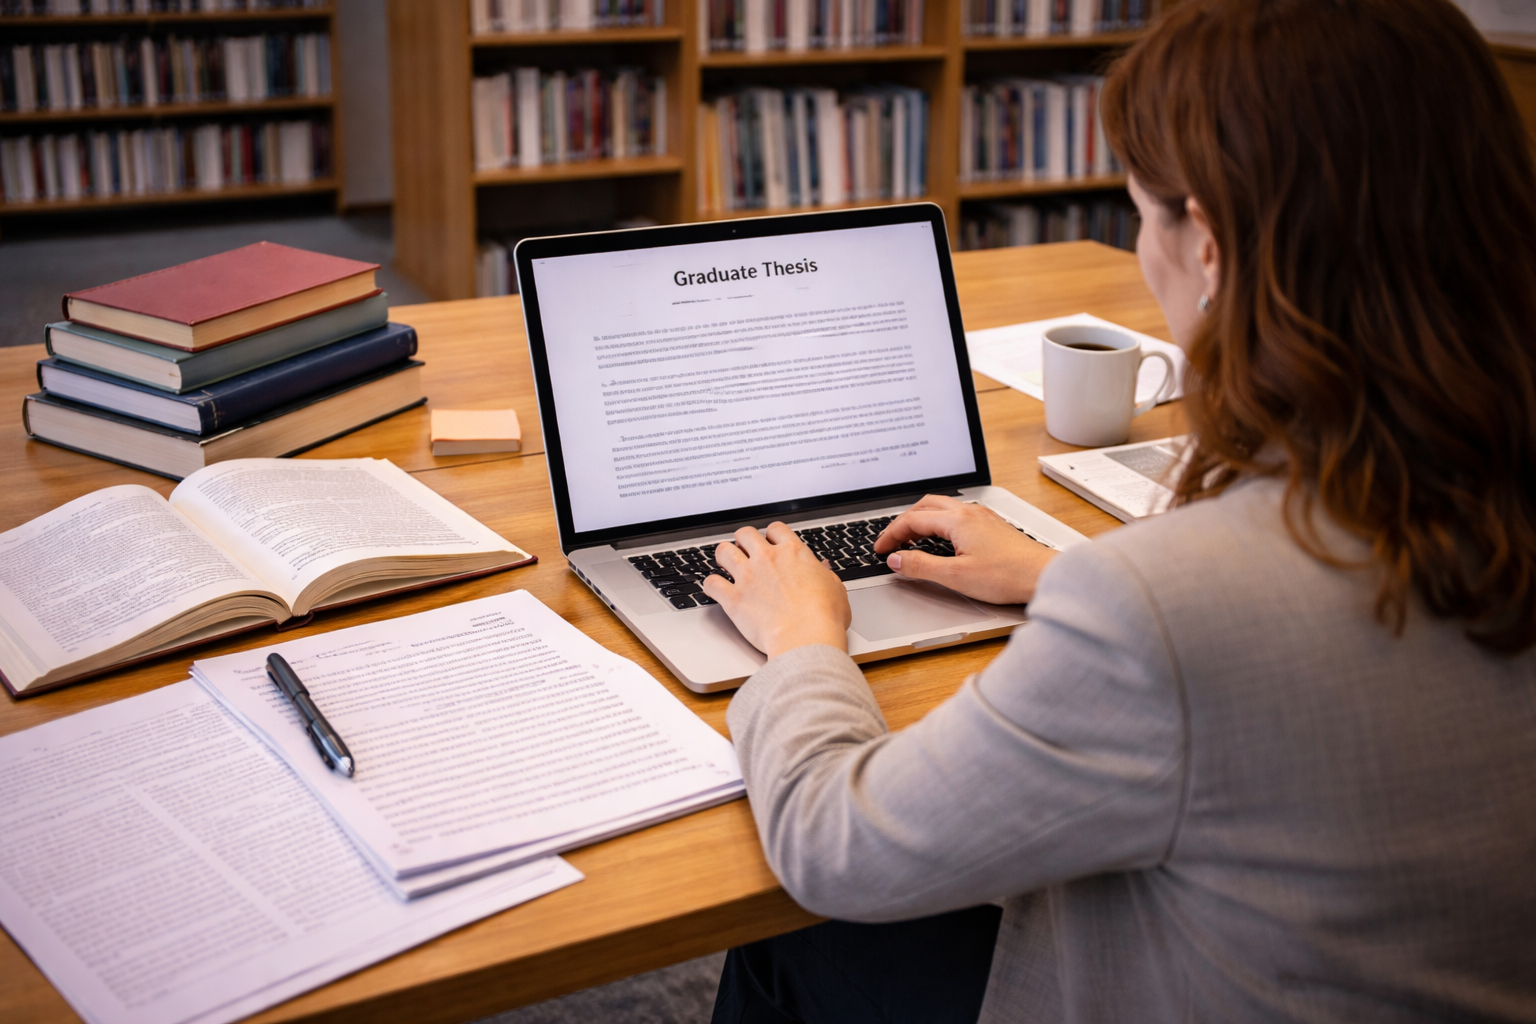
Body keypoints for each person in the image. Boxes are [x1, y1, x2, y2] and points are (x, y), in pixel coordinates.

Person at [699, 0, 1536, 1021]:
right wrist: (1055, 575)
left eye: (1141, 212)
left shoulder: (1167, 606)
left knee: (790, 943)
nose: (1145, 249)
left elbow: (838, 847)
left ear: (1213, 249)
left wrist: (802, 641)